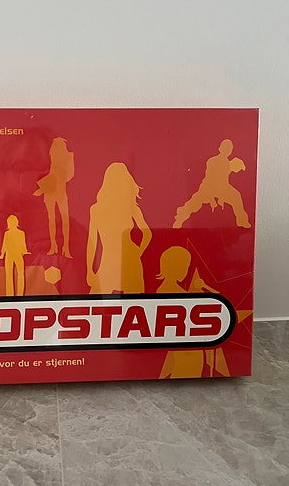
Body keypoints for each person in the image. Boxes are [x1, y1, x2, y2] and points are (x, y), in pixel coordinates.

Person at [156, 245, 229, 378]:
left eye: (188, 266)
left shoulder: (174, 290)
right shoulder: (169, 290)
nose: (186, 270)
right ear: (172, 267)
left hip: (189, 353)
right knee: (184, 372)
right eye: (184, 266)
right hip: (185, 355)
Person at [86, 162, 152, 294]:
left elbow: (147, 233)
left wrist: (138, 253)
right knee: (98, 297)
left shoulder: (130, 208)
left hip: (127, 259)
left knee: (135, 300)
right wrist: (89, 270)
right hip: (111, 260)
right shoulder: (97, 209)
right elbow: (92, 242)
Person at [173, 139, 251, 228]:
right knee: (193, 204)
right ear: (220, 148)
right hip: (208, 187)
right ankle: (179, 219)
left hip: (222, 188)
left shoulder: (227, 163)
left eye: (229, 149)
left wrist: (237, 166)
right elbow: (211, 179)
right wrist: (212, 198)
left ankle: (242, 221)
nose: (227, 151)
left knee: (236, 196)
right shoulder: (213, 161)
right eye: (225, 148)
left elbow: (225, 179)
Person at [34, 137, 74, 257]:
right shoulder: (54, 159)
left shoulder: (67, 158)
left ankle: (65, 247)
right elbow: (56, 175)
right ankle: (54, 246)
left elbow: (68, 176)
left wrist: (42, 189)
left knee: (63, 220)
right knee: (53, 220)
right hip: (51, 192)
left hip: (58, 192)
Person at [0, 215, 30, 296]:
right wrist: (2, 254)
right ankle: (10, 295)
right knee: (10, 276)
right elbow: (4, 245)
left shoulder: (21, 233)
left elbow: (23, 244)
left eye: (12, 222)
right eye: (10, 222)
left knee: (20, 274)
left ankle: (19, 295)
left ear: (16, 222)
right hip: (9, 256)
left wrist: (25, 251)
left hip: (18, 255)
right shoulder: (7, 234)